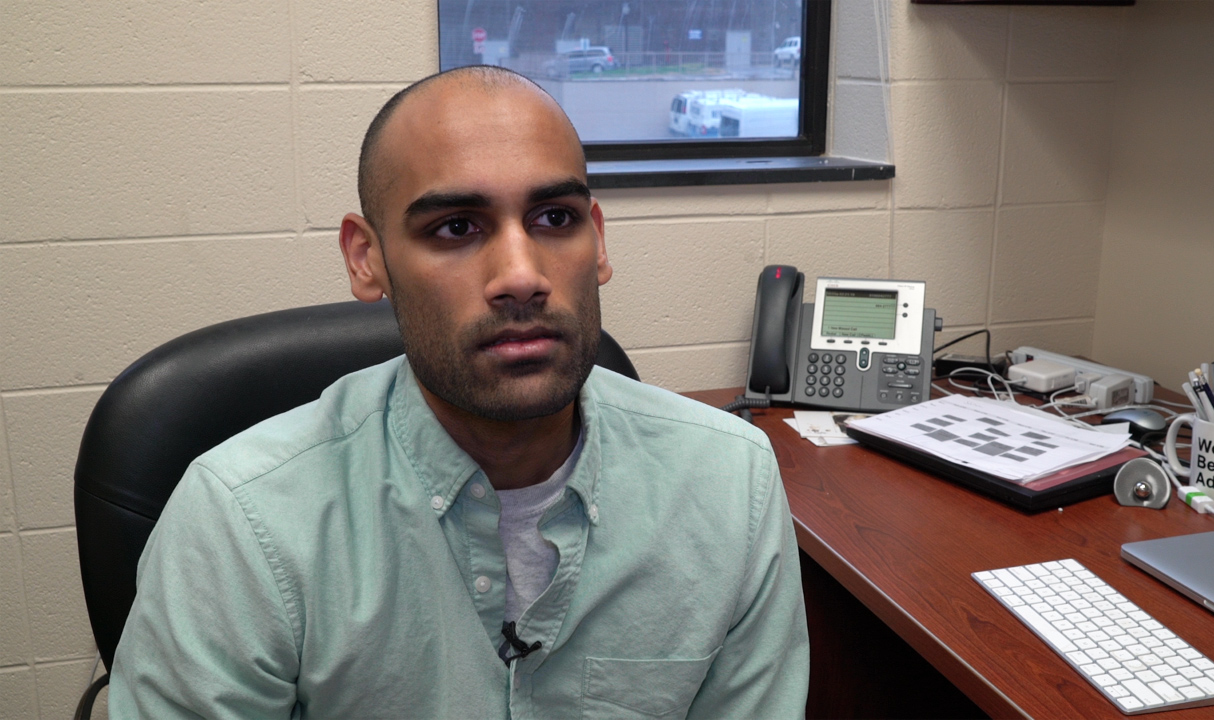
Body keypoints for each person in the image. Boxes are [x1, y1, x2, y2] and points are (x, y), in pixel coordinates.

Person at [110, 66, 809, 719]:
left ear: (597, 242)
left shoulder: (730, 484)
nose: (521, 275)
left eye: (555, 218)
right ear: (367, 259)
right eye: (456, 227)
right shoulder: (245, 523)